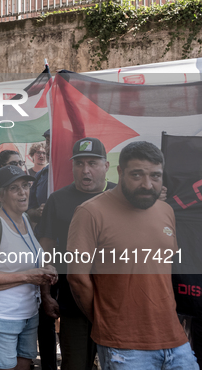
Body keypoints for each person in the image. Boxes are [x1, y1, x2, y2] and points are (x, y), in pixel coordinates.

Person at [67, 141, 198, 369]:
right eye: (137, 175)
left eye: (155, 176)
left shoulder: (166, 211)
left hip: (174, 339)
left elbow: (164, 270)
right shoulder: (90, 212)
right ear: (119, 172)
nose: (147, 184)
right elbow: (77, 277)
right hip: (124, 345)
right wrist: (104, 322)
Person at [38, 137, 116, 370]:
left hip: (115, 299)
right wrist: (46, 295)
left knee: (119, 363)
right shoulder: (58, 200)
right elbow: (46, 251)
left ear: (106, 166)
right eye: (79, 164)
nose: (86, 170)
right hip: (74, 300)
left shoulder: (121, 197)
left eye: (92, 163)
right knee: (75, 363)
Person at [0, 165, 57, 370]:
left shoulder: (25, 219)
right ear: (1, 194)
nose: (23, 192)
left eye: (25, 186)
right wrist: (28, 276)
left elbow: (28, 262)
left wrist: (45, 274)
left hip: (28, 313)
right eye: (14, 188)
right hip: (1, 315)